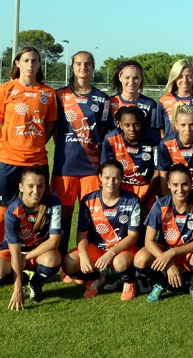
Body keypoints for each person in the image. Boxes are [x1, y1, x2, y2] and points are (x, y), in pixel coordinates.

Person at [0, 46, 57, 259]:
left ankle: (35, 260)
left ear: (39, 65)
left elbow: (51, 126)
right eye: (26, 60)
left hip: (36, 161)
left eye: (34, 60)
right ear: (17, 63)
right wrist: (4, 147)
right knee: (1, 211)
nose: (30, 64)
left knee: (40, 211)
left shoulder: (48, 93)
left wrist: (35, 144)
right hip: (7, 161)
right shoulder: (4, 90)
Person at [51, 50, 110, 261]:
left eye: (87, 64)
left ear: (93, 68)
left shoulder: (102, 99)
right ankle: (60, 259)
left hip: (91, 168)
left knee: (92, 216)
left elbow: (101, 133)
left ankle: (88, 261)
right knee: (62, 215)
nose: (83, 68)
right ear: (72, 67)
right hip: (65, 167)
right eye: (78, 64)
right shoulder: (60, 96)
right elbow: (56, 130)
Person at [134, 163, 193, 304]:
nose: (180, 189)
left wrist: (172, 253)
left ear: (191, 184)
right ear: (169, 185)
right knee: (140, 259)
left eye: (184, 184)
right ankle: (161, 283)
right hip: (165, 250)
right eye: (175, 185)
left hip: (191, 252)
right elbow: (148, 241)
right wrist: (169, 263)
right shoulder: (160, 205)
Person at [62, 160, 141, 300]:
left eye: (116, 178)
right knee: (69, 263)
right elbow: (82, 234)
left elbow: (133, 236)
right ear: (100, 177)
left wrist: (111, 253)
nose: (111, 182)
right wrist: (85, 255)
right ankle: (95, 278)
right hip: (97, 248)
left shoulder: (132, 200)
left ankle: (129, 282)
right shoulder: (88, 200)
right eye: (107, 178)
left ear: (122, 178)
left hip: (122, 249)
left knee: (120, 263)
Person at [0, 166, 62, 309]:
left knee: (53, 260)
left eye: (40, 186)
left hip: (39, 252)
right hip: (13, 253)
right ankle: (25, 278)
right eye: (30, 186)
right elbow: (14, 251)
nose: (36, 191)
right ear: (21, 187)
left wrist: (26, 258)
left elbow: (54, 241)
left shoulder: (54, 204)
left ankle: (36, 282)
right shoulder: (12, 211)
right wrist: (18, 287)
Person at [156, 103, 193, 217]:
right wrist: (169, 201)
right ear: (176, 125)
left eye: (192, 124)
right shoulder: (165, 144)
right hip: (177, 194)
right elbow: (163, 177)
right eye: (183, 125)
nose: (187, 129)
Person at [101, 106, 160, 212]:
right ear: (120, 124)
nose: (132, 129)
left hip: (146, 187)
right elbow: (107, 170)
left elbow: (158, 172)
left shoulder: (154, 138)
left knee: (145, 221)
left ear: (141, 123)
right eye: (127, 125)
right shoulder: (110, 139)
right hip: (121, 187)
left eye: (136, 124)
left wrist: (145, 200)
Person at [156, 59, 193, 138]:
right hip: (171, 149)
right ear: (174, 78)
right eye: (180, 77)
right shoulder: (163, 101)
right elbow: (161, 132)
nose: (185, 80)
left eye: (189, 76)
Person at [108, 60, 157, 135]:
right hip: (116, 146)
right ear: (120, 77)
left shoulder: (150, 104)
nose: (131, 82)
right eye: (127, 77)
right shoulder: (109, 102)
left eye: (135, 78)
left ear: (141, 78)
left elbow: (154, 132)